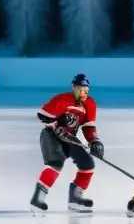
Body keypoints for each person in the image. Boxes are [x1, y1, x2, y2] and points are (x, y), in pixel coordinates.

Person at [31, 73, 104, 214]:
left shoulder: (89, 104)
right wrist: (59, 120)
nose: (84, 93)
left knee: (87, 165)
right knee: (55, 164)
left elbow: (88, 126)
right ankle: (38, 199)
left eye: (86, 90)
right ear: (74, 88)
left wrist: (94, 141)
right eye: (81, 89)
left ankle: (75, 199)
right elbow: (42, 115)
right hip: (51, 136)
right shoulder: (62, 99)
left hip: (69, 138)